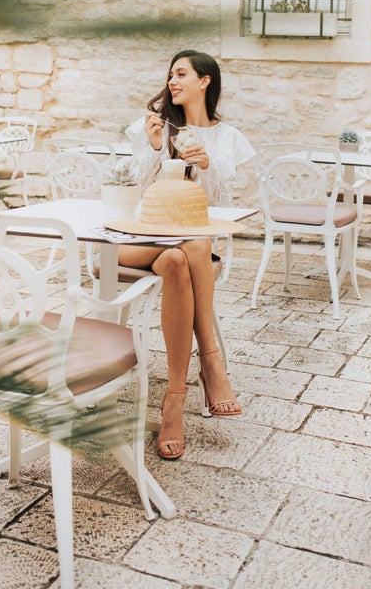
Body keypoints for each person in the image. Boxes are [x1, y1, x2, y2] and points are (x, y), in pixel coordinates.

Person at [123, 49, 255, 460]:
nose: (173, 81)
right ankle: (212, 364)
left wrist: (209, 164)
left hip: (183, 247)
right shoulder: (150, 126)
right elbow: (134, 193)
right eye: (171, 74)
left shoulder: (228, 138)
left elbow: (221, 208)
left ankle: (174, 400)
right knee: (194, 245)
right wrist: (153, 146)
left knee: (186, 253)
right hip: (138, 238)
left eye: (182, 74)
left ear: (205, 81)